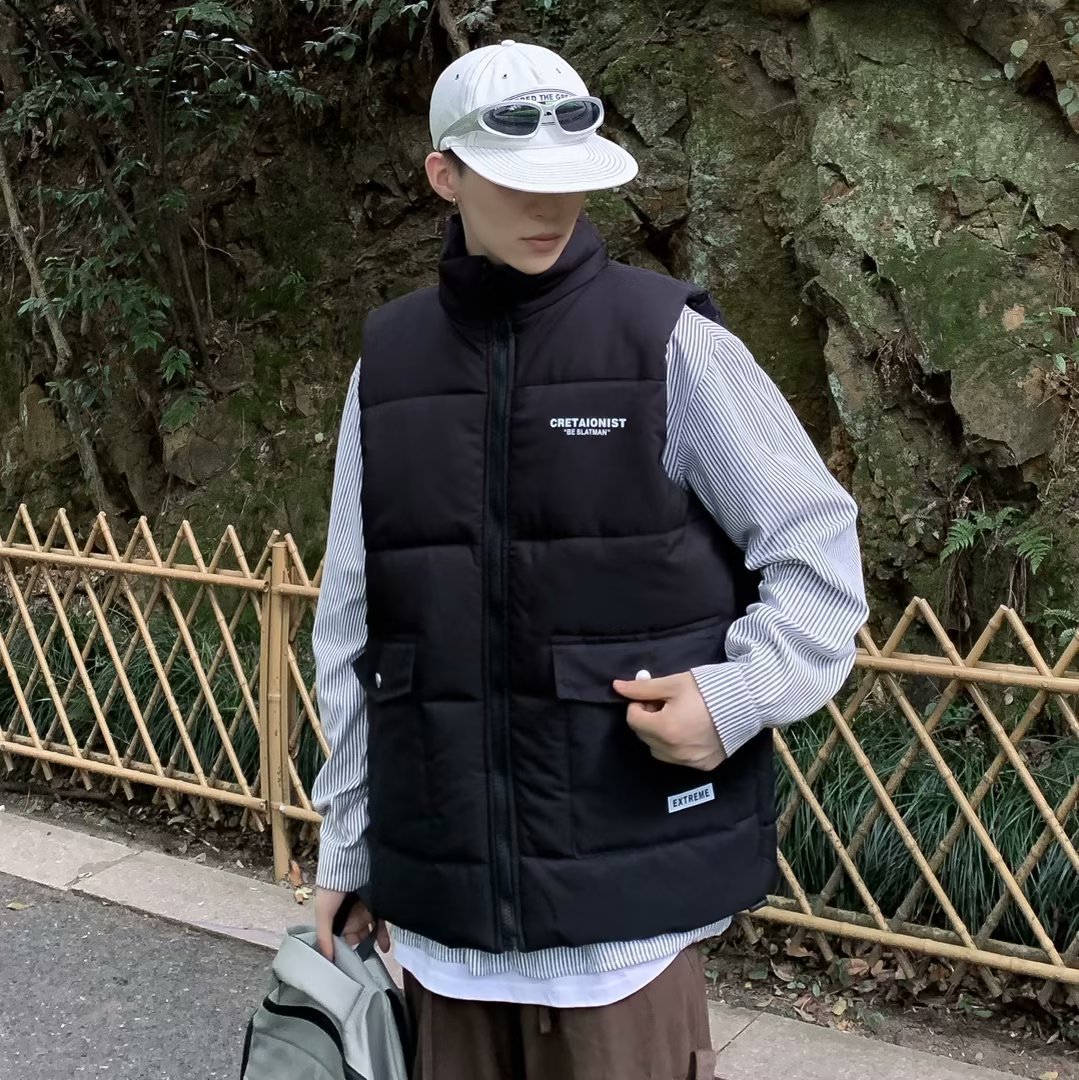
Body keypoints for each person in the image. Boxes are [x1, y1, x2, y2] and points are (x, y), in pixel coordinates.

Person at [310, 39, 868, 1080]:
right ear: (444, 176)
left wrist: (733, 698)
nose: (550, 205)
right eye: (516, 180)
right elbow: (353, 621)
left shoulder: (670, 343)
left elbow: (815, 551)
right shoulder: (385, 365)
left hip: (626, 937)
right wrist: (347, 845)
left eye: (569, 177)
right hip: (440, 937)